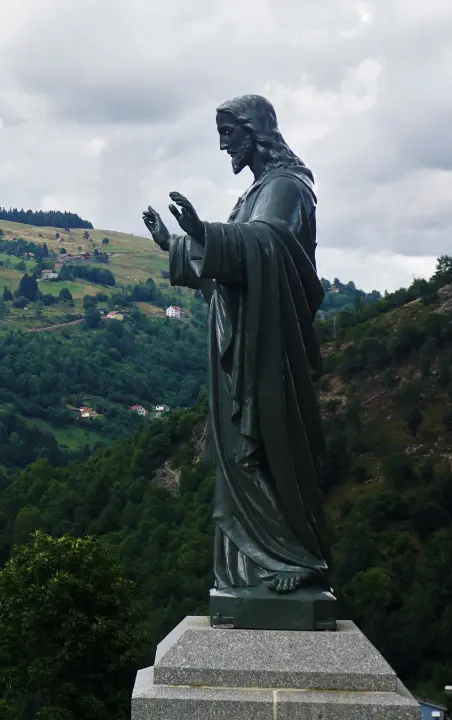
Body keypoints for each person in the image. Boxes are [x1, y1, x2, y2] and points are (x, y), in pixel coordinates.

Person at [141, 94, 330, 595]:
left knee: (264, 446)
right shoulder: (252, 194)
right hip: (239, 337)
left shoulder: (287, 187)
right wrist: (175, 244)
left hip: (268, 345)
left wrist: (205, 232)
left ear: (255, 132)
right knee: (241, 453)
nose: (223, 144)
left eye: (229, 132)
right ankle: (253, 564)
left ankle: (294, 555)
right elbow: (231, 273)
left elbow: (272, 245)